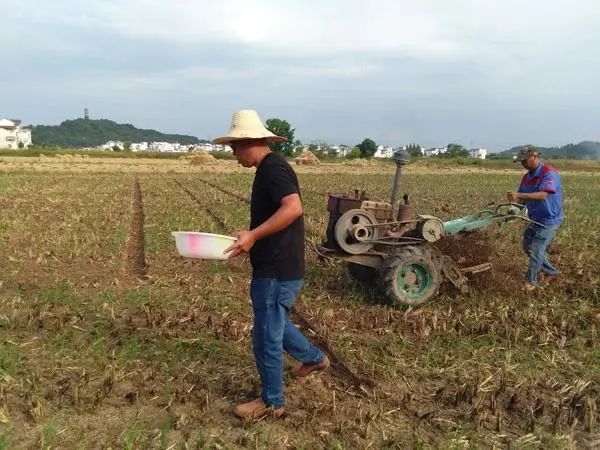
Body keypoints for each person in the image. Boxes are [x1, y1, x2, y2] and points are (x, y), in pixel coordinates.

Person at [214, 110, 329, 420]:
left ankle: (272, 402)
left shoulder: (272, 169)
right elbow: (278, 215)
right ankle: (315, 359)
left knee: (266, 335)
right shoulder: (268, 168)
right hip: (278, 266)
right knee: (275, 322)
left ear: (250, 141)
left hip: (277, 270)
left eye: (235, 146)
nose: (233, 152)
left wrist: (253, 234)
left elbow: (293, 209)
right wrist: (249, 235)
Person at [506, 145, 564, 291]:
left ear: (535, 157)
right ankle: (551, 272)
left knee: (537, 249)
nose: (523, 164)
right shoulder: (527, 177)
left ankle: (531, 281)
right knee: (527, 247)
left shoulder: (549, 173)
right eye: (521, 162)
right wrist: (512, 209)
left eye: (525, 160)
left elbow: (543, 195)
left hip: (549, 219)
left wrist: (519, 195)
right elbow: (522, 199)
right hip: (534, 218)